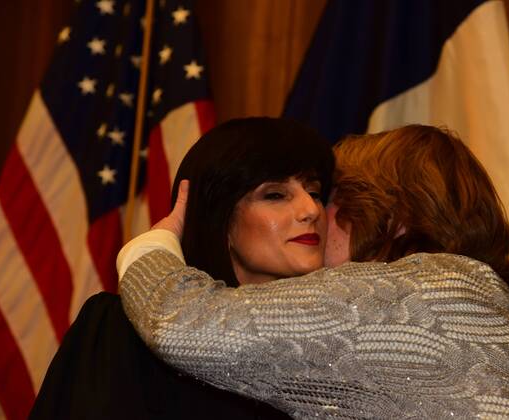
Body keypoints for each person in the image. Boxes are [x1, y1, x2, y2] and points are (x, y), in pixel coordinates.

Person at [118, 125, 509, 419]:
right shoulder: (487, 305)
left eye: (329, 198)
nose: (315, 214)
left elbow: (184, 324)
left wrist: (152, 245)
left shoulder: (409, 294)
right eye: (279, 194)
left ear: (393, 218)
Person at [30, 117, 334, 420]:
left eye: (315, 193)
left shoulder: (339, 337)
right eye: (276, 195)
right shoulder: (120, 332)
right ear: (219, 218)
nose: (311, 210)